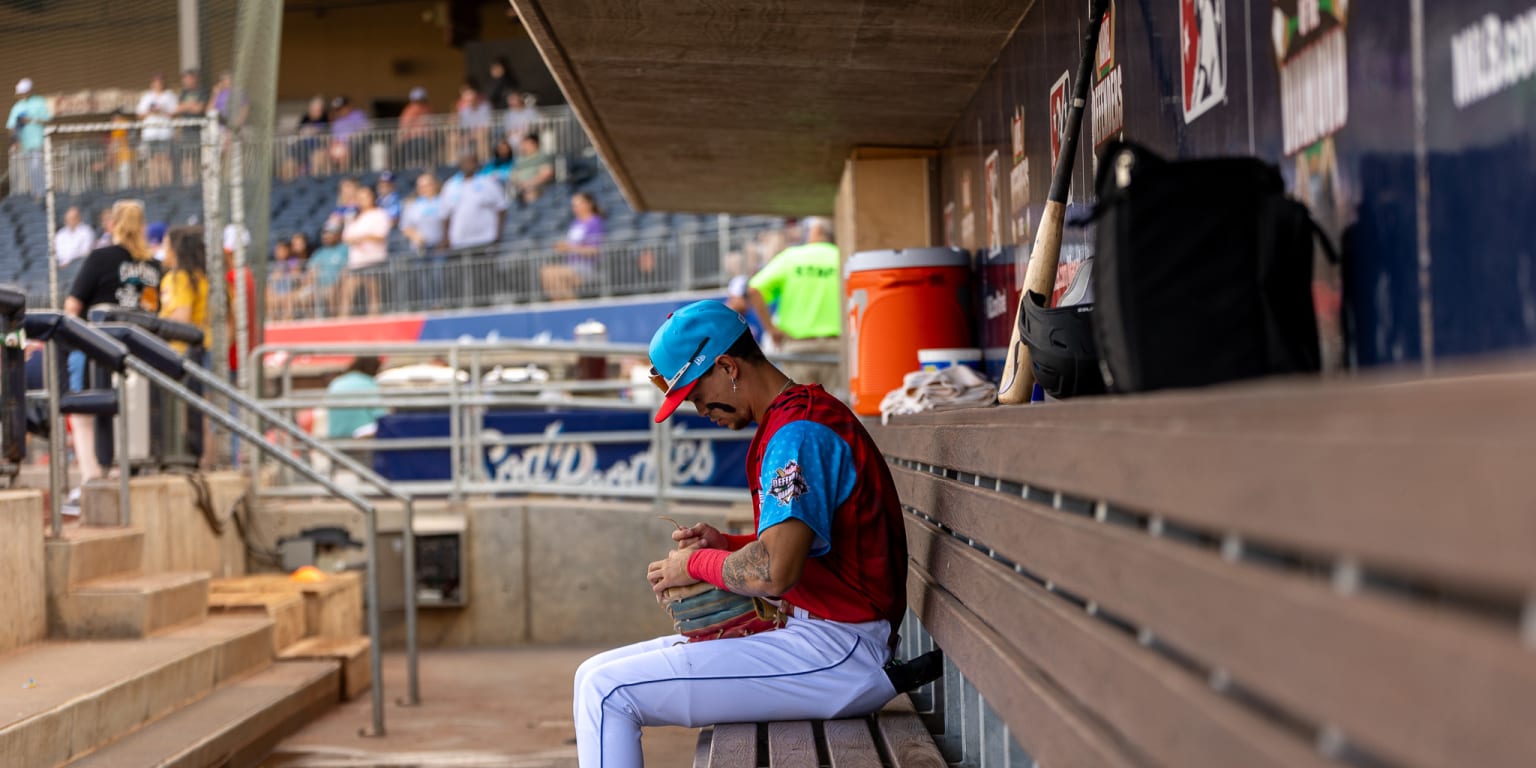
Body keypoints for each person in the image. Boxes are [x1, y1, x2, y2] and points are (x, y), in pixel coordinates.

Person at [573, 300, 907, 767]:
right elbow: (801, 549)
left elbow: (773, 571)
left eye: (695, 393)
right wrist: (724, 545)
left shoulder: (799, 433)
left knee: (608, 693)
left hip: (841, 650)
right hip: (824, 636)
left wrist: (691, 564)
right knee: (592, 674)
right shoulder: (796, 418)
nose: (698, 407)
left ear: (727, 366)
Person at [64, 200, 163, 497]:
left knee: (81, 411)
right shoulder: (155, 266)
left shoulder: (100, 257)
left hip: (97, 348)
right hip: (142, 351)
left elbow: (72, 307)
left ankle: (92, 477)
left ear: (113, 225)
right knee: (131, 410)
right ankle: (122, 471)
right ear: (142, 226)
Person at [747, 216, 842, 387]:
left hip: (798, 349)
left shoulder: (792, 258)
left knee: (801, 408)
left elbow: (754, 289)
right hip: (836, 348)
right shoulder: (841, 258)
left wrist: (772, 329)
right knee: (838, 409)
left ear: (817, 231)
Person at [159, 226, 212, 461]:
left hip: (185, 354)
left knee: (189, 416)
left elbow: (181, 318)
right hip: (205, 350)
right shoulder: (203, 277)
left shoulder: (180, 278)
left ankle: (198, 465)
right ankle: (209, 464)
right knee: (206, 413)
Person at [540, 192, 605, 302]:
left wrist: (569, 248)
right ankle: (562, 304)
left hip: (587, 266)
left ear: (589, 204)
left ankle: (570, 305)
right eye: (574, 205)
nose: (575, 208)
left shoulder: (595, 222)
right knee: (549, 275)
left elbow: (594, 249)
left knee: (550, 273)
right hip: (572, 265)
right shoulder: (576, 223)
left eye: (578, 204)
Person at [325, 356, 387, 466]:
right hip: (360, 439)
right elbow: (381, 415)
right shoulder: (369, 384)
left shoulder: (337, 382)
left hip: (335, 437)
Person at [340, 185, 391, 316]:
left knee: (374, 294)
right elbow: (346, 236)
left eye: (365, 196)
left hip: (374, 260)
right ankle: (343, 319)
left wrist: (363, 237)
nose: (362, 200)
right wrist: (356, 239)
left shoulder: (380, 214)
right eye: (359, 197)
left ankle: (374, 318)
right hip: (356, 261)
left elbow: (380, 236)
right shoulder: (355, 217)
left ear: (372, 197)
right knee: (347, 293)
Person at [400, 173, 449, 306]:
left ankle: (440, 303)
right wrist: (415, 236)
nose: (424, 189)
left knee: (438, 275)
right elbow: (405, 227)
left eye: (427, 185)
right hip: (420, 248)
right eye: (421, 186)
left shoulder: (443, 202)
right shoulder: (412, 206)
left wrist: (445, 240)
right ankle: (427, 304)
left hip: (439, 246)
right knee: (423, 278)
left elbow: (449, 222)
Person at [443, 154, 506, 253]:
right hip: (459, 241)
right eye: (465, 162)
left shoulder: (489, 182)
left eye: (471, 162)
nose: (468, 165)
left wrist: (498, 234)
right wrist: (446, 237)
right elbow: (446, 215)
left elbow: (501, 209)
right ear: (459, 165)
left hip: (486, 239)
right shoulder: (450, 186)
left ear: (477, 164)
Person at [7, 78, 50, 195]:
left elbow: (47, 120)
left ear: (29, 91)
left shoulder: (40, 102)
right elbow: (11, 125)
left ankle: (41, 194)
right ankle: (35, 193)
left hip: (38, 141)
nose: (21, 95)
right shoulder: (17, 107)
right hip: (23, 144)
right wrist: (14, 141)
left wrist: (30, 120)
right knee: (29, 170)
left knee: (37, 167)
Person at [136, 74, 178, 187]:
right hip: (150, 134)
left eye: (160, 81)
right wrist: (151, 112)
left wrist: (162, 111)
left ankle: (168, 186)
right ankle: (154, 186)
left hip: (165, 134)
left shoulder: (170, 95)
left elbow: (175, 113)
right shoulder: (146, 96)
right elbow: (139, 115)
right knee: (152, 161)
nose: (158, 84)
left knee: (165, 160)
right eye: (155, 81)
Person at [308, 219, 349, 316]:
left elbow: (345, 271)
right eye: (325, 233)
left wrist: (337, 284)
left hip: (337, 286)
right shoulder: (319, 253)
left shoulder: (345, 249)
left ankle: (334, 320)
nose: (326, 236)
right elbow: (311, 272)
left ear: (338, 234)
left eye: (330, 233)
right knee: (297, 296)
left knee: (331, 292)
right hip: (317, 287)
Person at [508, 134, 555, 205]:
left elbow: (547, 174)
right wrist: (519, 184)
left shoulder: (543, 157)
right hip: (520, 189)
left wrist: (529, 184)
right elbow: (513, 175)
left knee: (531, 195)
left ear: (535, 144)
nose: (523, 146)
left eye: (526, 144)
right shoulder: (520, 160)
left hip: (538, 189)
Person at [453, 80, 491, 163]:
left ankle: (483, 162)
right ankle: (452, 164)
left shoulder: (484, 107)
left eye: (471, 100)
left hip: (482, 134)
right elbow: (461, 127)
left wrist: (469, 136)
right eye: (467, 101)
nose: (468, 102)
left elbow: (485, 128)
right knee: (452, 138)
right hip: (469, 134)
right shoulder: (464, 111)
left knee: (481, 136)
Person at [396, 87, 432, 168]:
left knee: (418, 160)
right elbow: (405, 125)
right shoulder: (410, 110)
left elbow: (404, 125)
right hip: (413, 139)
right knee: (414, 160)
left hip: (420, 139)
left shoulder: (426, 109)